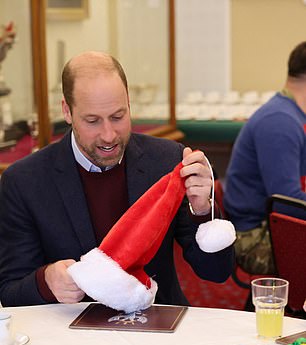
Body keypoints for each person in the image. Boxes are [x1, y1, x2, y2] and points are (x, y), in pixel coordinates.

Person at [0, 51, 234, 307]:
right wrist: (46, 281)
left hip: (156, 323)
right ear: (67, 112)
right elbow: (11, 293)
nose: (109, 135)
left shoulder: (166, 160)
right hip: (72, 335)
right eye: (92, 121)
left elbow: (216, 272)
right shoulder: (25, 181)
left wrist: (202, 210)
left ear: (129, 105)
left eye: (118, 117)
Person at [224, 41, 306, 275]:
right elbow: (286, 203)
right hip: (255, 236)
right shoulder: (280, 123)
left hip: (274, 226)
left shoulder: (292, 114)